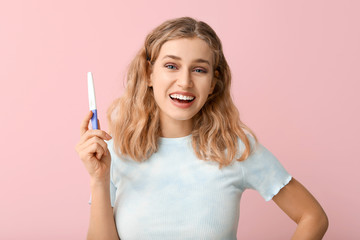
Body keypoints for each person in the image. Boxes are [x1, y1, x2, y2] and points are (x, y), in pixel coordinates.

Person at [75, 17, 328, 240]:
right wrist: (99, 180)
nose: (185, 82)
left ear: (213, 83)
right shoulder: (115, 151)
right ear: (149, 74)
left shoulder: (234, 148)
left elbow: (312, 217)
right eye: (171, 66)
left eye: (199, 70)